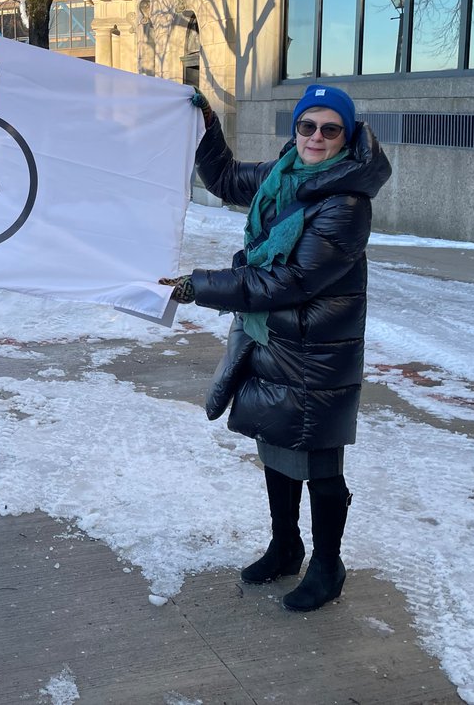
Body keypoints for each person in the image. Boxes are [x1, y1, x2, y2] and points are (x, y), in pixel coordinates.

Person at [161, 84, 391, 612]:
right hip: (273, 337)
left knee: (320, 460)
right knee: (276, 442)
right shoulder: (282, 175)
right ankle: (286, 546)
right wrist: (206, 128)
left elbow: (291, 279)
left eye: (330, 129)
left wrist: (201, 286)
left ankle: (328, 566)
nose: (315, 137)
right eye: (307, 126)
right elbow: (222, 177)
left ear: (347, 136)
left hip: (317, 348)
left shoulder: (347, 201)